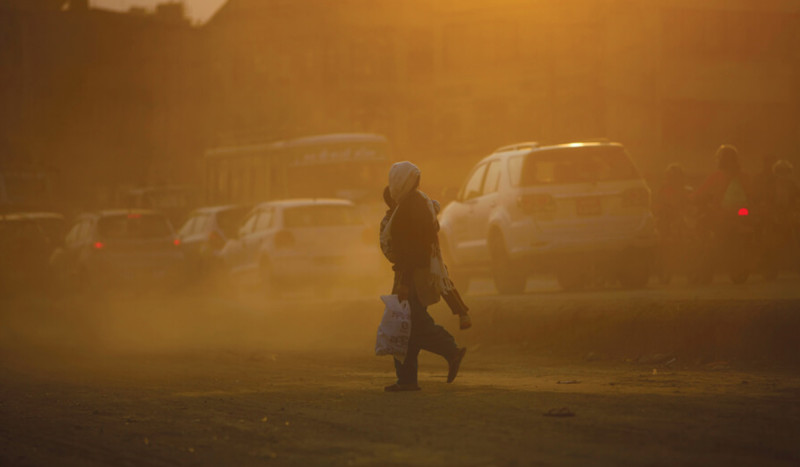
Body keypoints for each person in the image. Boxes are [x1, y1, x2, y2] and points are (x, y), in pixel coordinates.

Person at [381, 161, 466, 392]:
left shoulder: (411, 207)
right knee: (405, 325)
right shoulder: (414, 203)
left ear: (400, 181)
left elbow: (413, 249)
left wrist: (405, 283)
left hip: (412, 274)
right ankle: (407, 380)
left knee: (413, 324)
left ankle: (451, 351)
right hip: (413, 272)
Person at [381, 185, 472, 330]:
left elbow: (431, 224)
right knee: (403, 306)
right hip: (406, 266)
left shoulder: (412, 209)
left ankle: (460, 313)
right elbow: (388, 247)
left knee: (441, 280)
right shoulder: (391, 221)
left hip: (424, 258)